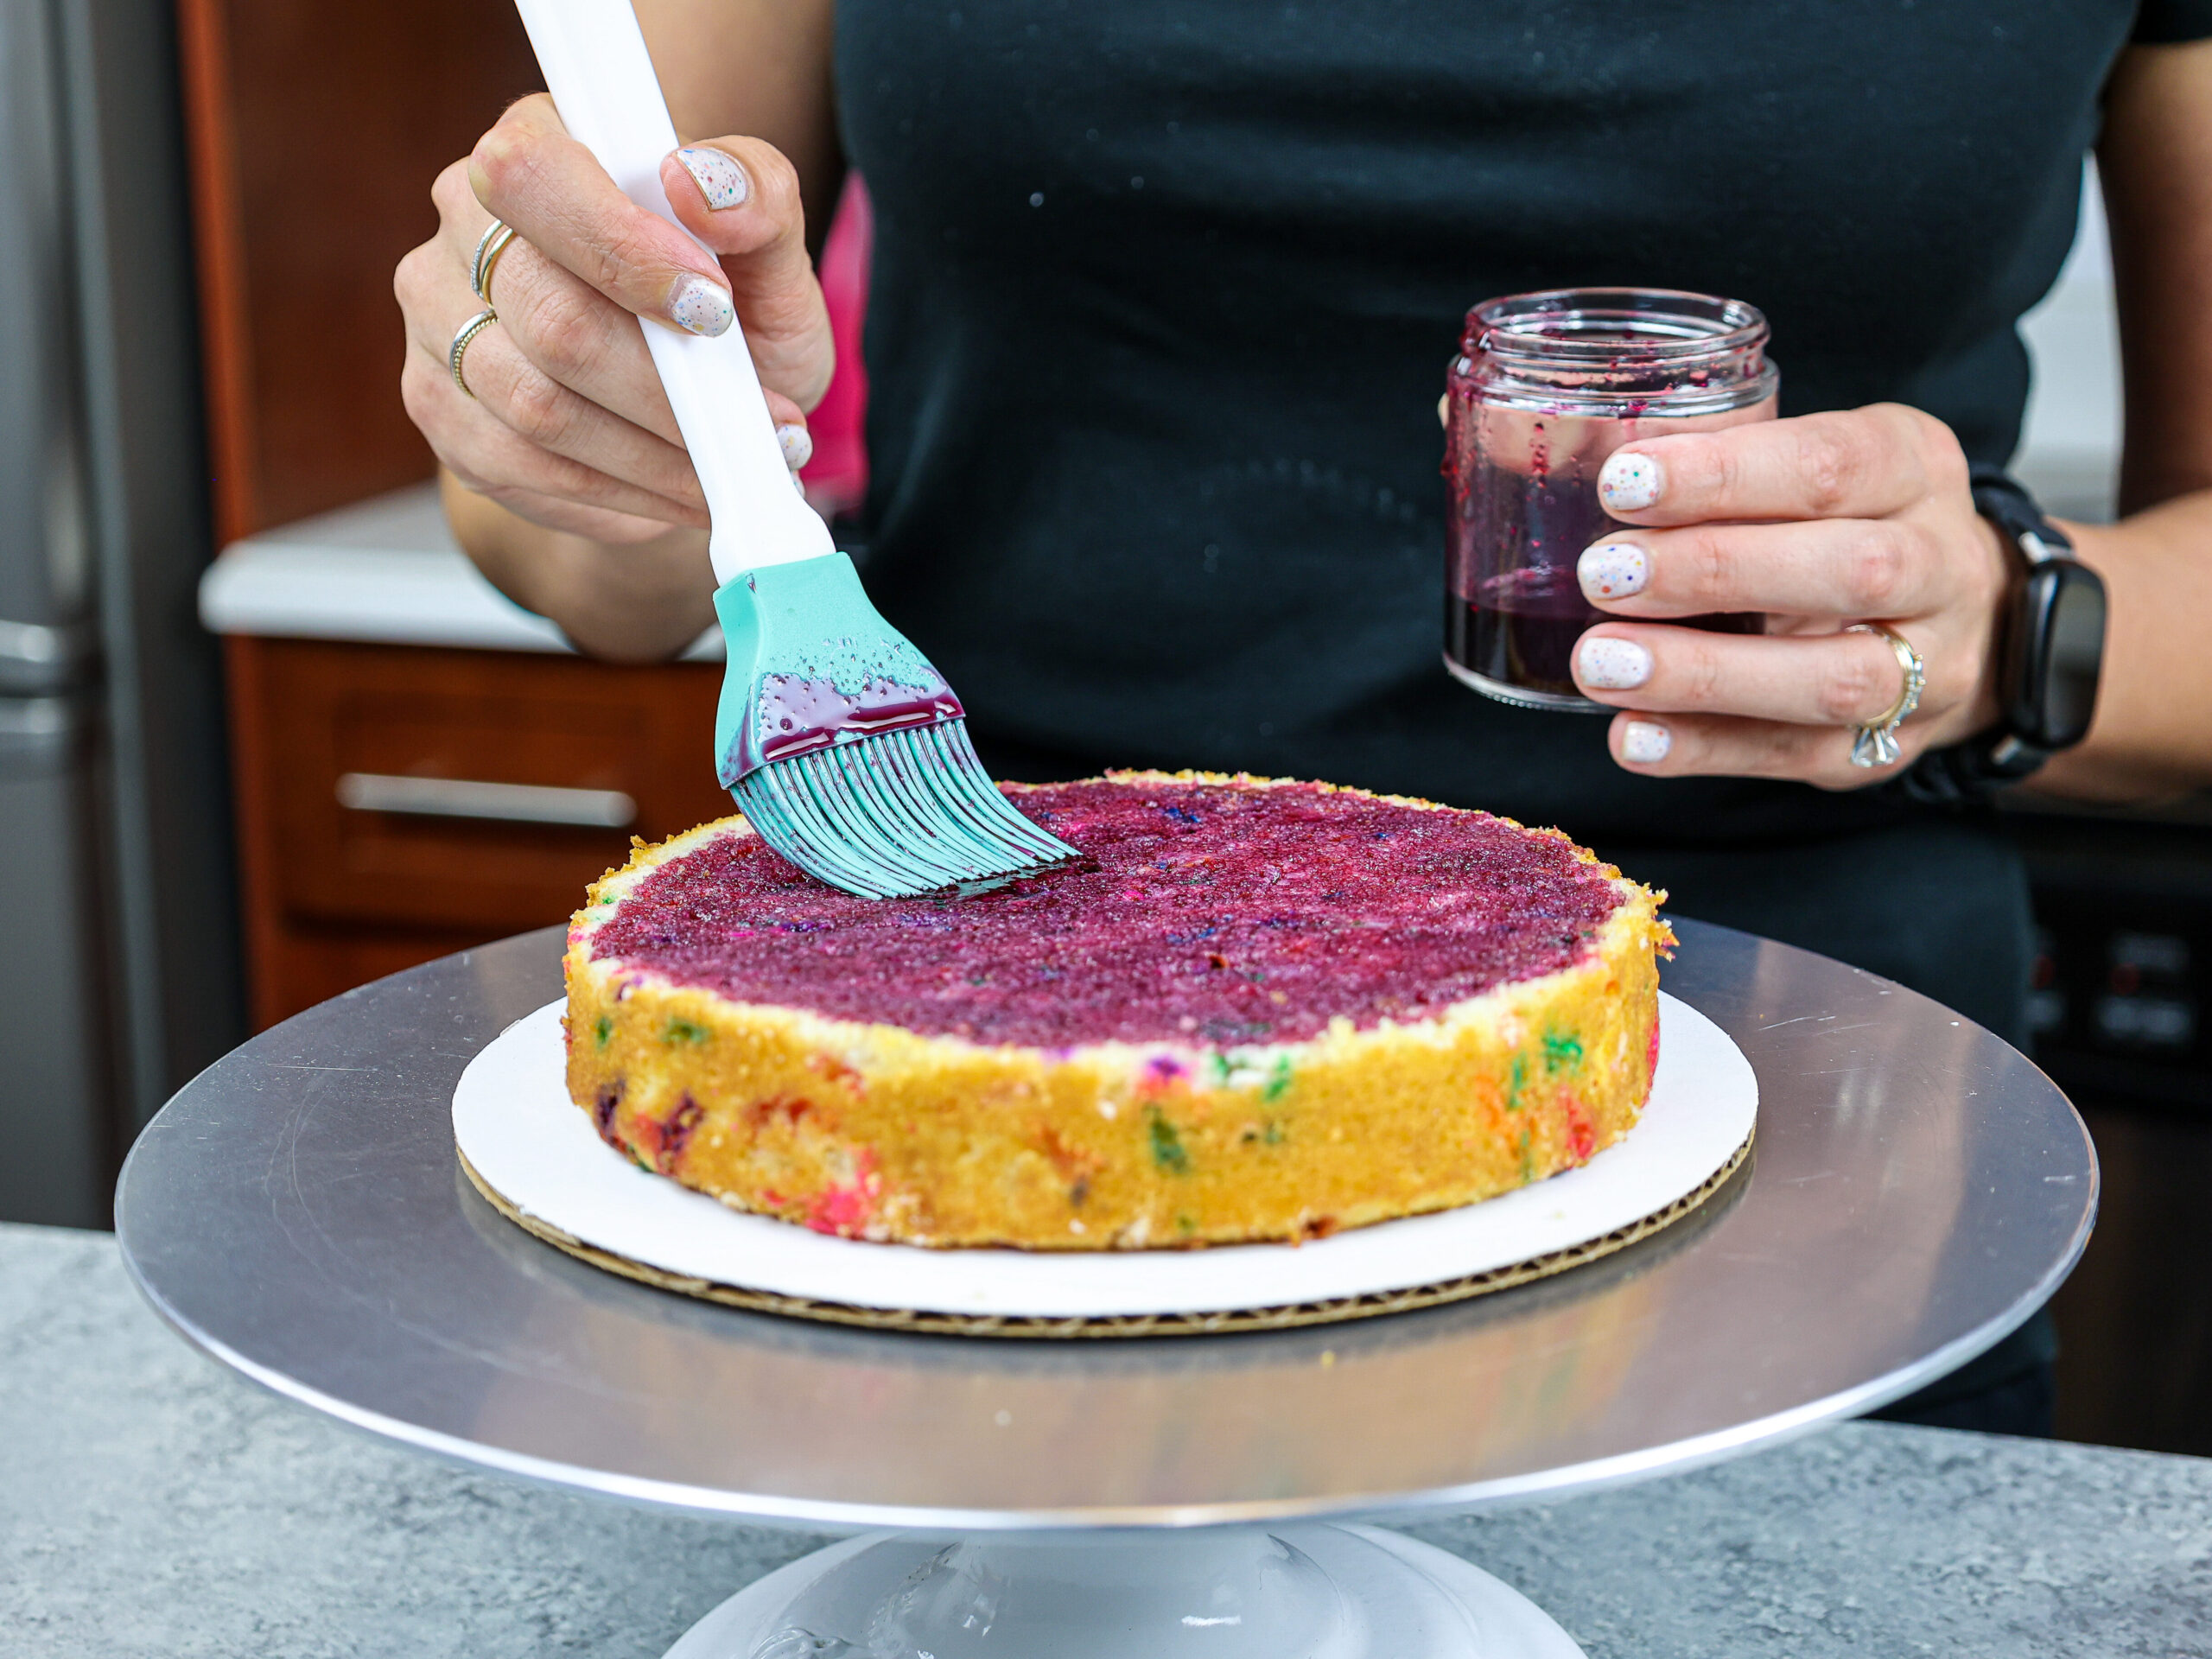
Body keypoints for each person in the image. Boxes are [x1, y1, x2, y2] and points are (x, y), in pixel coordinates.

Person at [395, 3, 2212, 1433]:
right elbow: (577, 548)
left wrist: (2000, 623)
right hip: (943, 1050)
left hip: (1805, 1191)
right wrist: (597, 432)